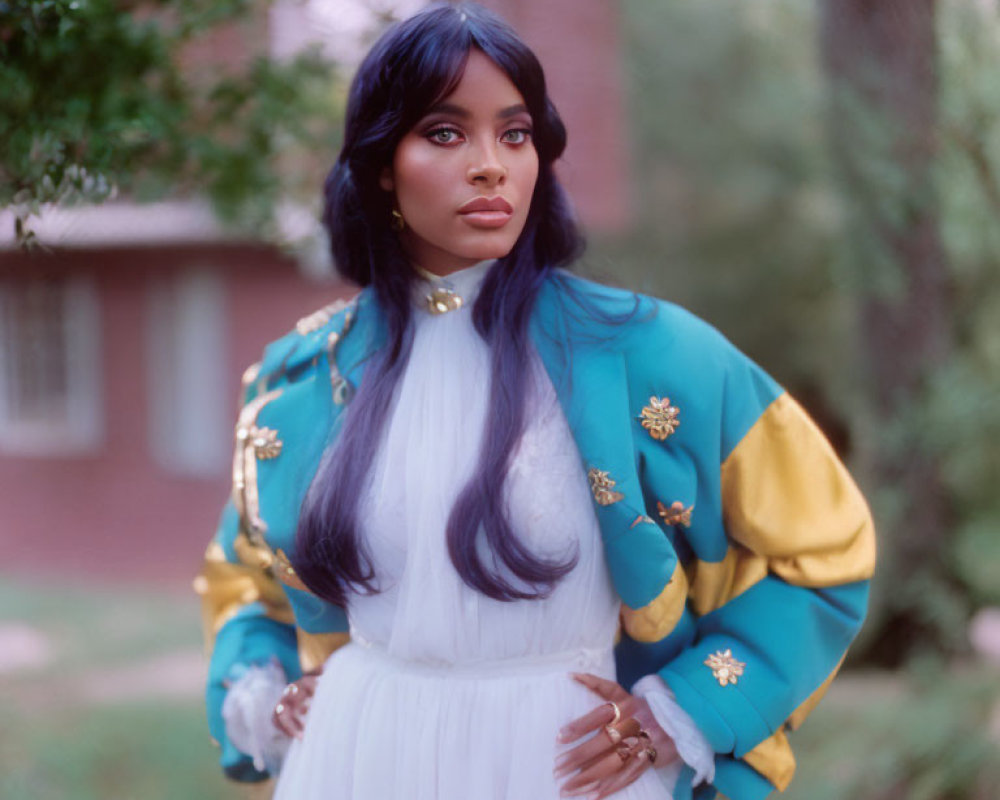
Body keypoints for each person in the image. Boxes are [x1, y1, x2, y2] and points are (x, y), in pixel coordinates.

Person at [195, 4, 876, 799]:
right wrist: (266, 694)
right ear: (382, 163)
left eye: (514, 134)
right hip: (354, 758)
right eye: (446, 134)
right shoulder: (304, 379)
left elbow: (825, 549)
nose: (491, 166)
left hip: (563, 766)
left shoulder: (646, 354)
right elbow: (245, 583)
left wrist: (684, 709)